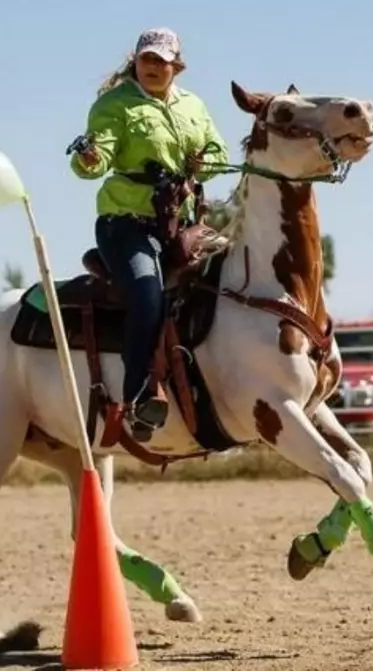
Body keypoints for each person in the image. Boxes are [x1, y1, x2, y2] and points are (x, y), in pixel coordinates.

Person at [69, 26, 230, 441]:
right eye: (148, 60)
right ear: (137, 61)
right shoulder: (113, 105)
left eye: (162, 61)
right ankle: (139, 398)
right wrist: (88, 156)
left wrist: (199, 165)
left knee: (231, 277)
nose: (155, 67)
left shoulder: (193, 105)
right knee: (147, 291)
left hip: (183, 224)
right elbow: (96, 159)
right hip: (125, 224)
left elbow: (219, 153)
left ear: (178, 66)